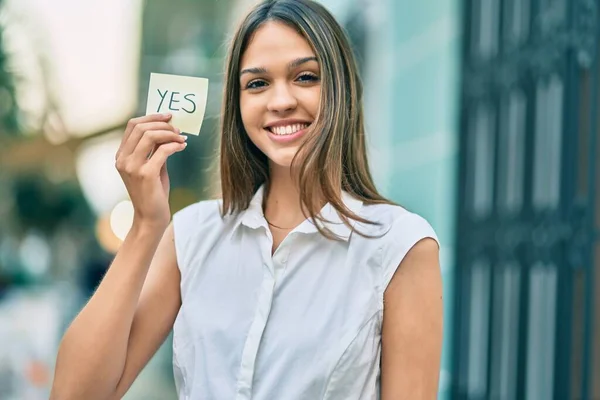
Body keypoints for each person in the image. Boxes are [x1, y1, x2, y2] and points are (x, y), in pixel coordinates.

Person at [50, 0, 443, 398]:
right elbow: (74, 395)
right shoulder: (192, 235)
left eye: (305, 77)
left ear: (341, 88)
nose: (280, 101)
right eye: (257, 84)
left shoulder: (399, 245)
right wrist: (145, 226)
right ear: (237, 105)